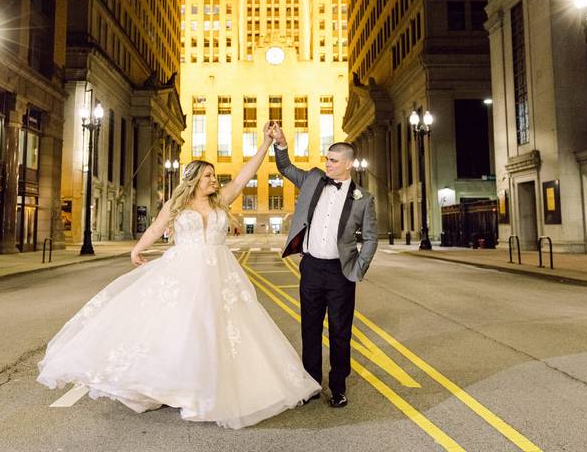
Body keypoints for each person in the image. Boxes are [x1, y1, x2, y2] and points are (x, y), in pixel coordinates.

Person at [37, 122, 319, 429]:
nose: (214, 179)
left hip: (219, 274)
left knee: (218, 329)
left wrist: (266, 144)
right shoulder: (177, 204)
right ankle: (175, 384)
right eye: (209, 175)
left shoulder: (221, 200)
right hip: (182, 272)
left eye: (214, 175)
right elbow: (157, 228)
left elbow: (243, 175)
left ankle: (205, 389)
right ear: (196, 180)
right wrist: (137, 249)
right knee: (181, 329)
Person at [269, 124, 378, 408]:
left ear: (348, 164)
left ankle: (338, 386)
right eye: (327, 159)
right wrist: (281, 143)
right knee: (310, 328)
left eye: (333, 160)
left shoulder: (362, 199)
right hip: (312, 269)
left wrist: (358, 268)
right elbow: (285, 167)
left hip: (341, 273)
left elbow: (370, 237)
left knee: (340, 331)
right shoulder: (314, 179)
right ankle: (311, 384)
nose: (327, 164)